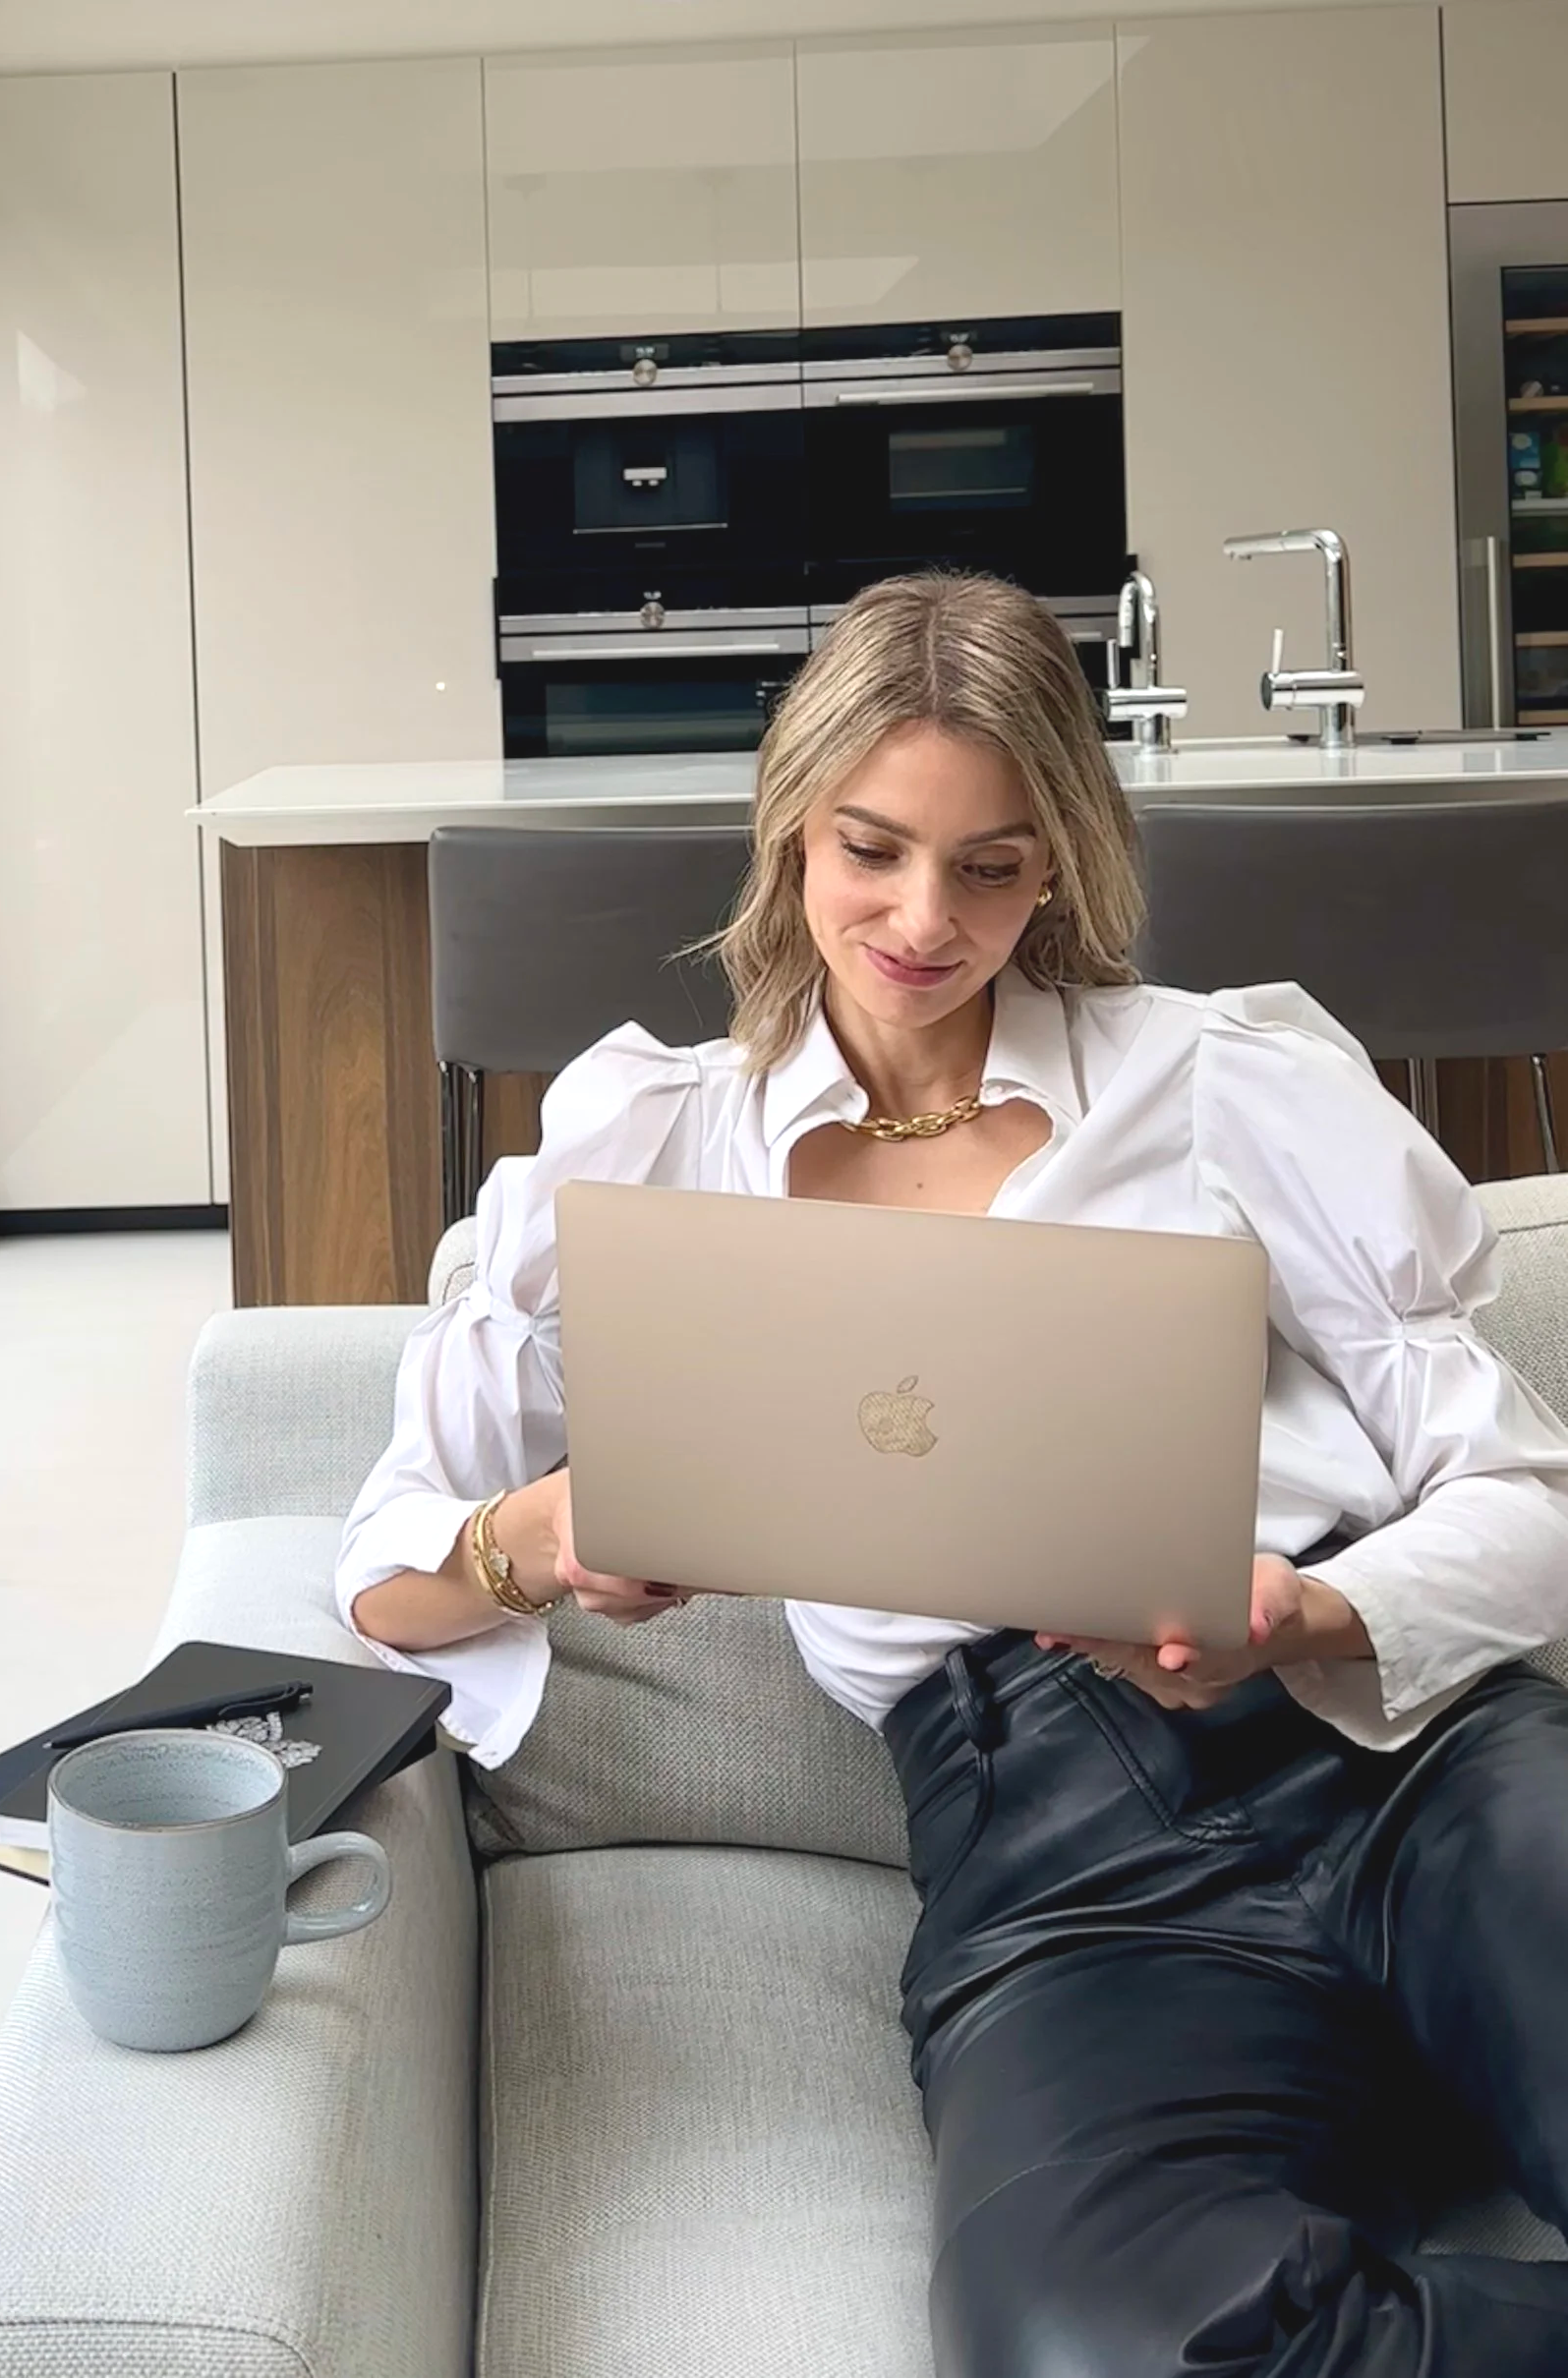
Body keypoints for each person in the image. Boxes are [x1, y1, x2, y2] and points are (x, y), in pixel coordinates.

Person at [336, 573, 1568, 2376]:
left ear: (1060, 858)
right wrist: (540, 1535)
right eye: (874, 850)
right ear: (790, 829)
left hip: (1411, 1763)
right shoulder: (648, 1140)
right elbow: (385, 1568)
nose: (927, 917)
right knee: (1081, 2343)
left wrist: (1319, 1605)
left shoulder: (1225, 1082)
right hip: (1057, 1870)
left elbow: (1531, 1493)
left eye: (991, 864)